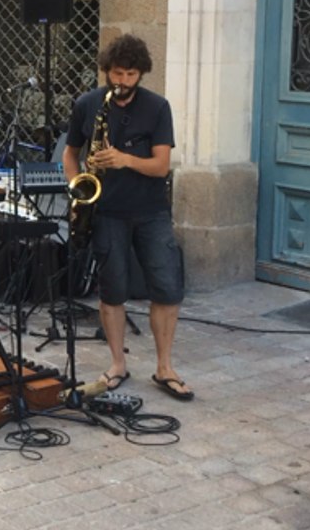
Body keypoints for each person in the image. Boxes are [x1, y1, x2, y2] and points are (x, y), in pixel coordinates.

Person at [63, 34, 192, 401]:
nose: (121, 82)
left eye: (130, 75)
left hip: (151, 212)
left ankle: (164, 366)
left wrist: (124, 159)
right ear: (107, 71)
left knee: (166, 288)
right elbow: (71, 154)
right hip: (106, 212)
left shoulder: (157, 107)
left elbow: (161, 165)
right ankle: (117, 363)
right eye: (116, 73)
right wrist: (76, 186)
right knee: (112, 291)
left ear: (141, 74)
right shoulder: (88, 104)